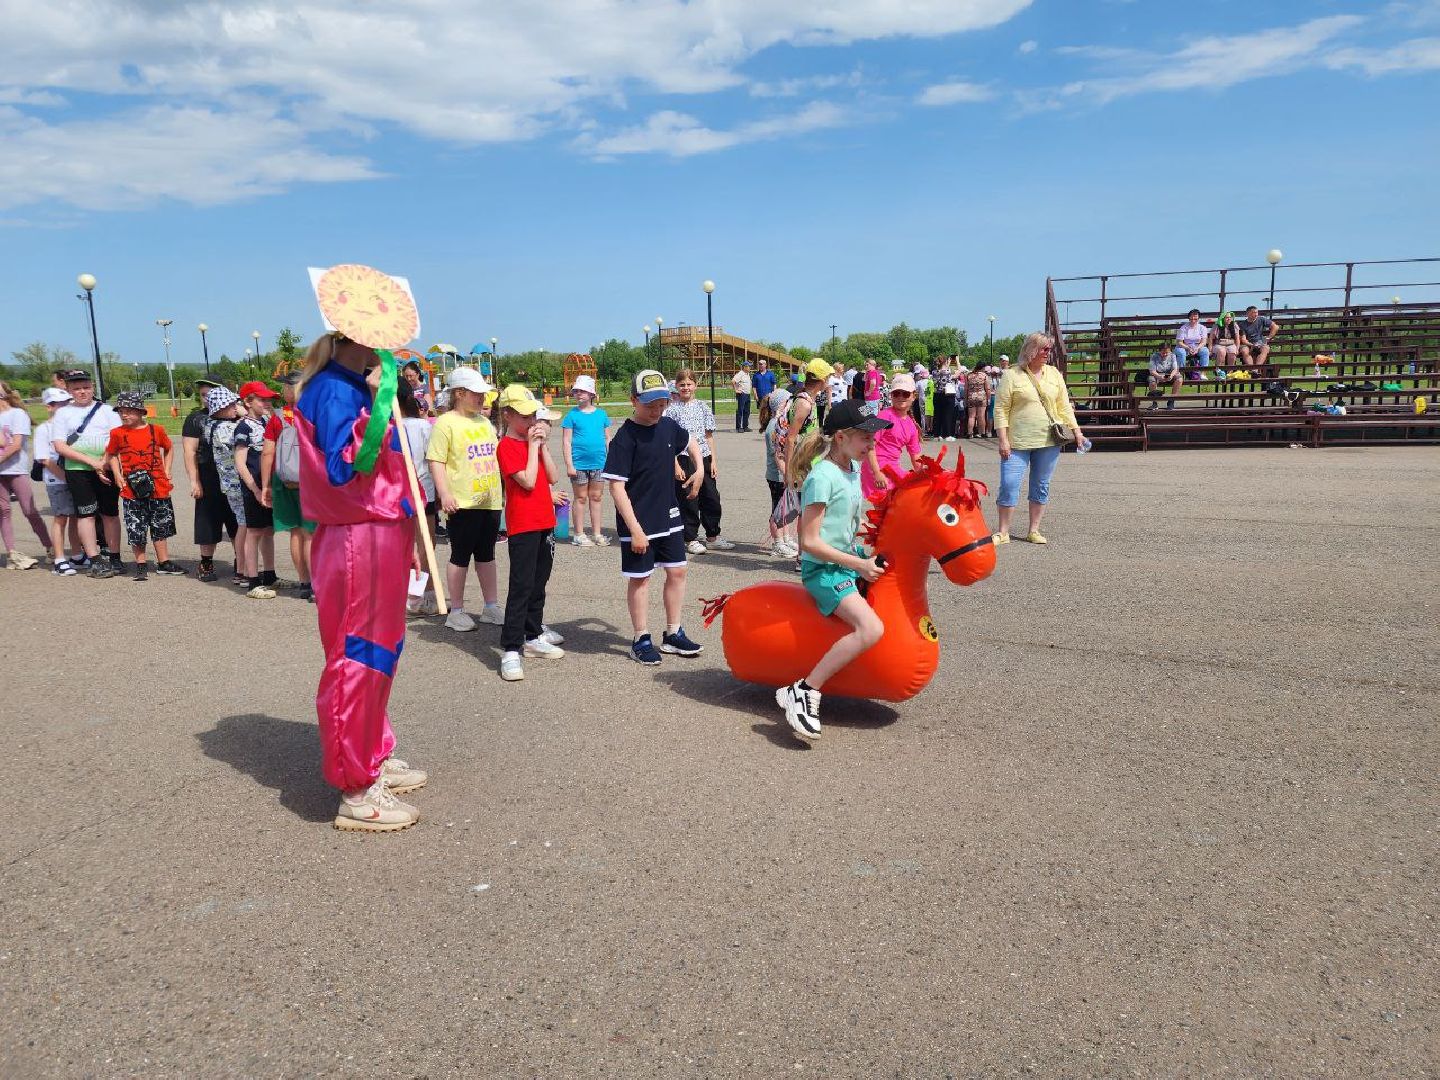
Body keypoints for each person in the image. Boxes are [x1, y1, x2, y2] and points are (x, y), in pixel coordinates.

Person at [295, 331, 427, 833]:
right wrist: (380, 397)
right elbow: (346, 468)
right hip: (355, 536)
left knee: (381, 651)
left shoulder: (355, 383)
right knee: (357, 654)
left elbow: (394, 471)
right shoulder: (333, 389)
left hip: (380, 529)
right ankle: (355, 786)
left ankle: (371, 751)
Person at [776, 399, 890, 744]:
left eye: (872, 437)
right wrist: (858, 565)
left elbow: (844, 528)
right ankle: (804, 690)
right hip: (823, 571)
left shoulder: (851, 470)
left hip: (844, 559)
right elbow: (809, 541)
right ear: (841, 437)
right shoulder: (822, 477)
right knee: (871, 628)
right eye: (865, 438)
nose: (872, 445)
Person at [602, 369, 704, 665]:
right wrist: (634, 529)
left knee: (677, 571)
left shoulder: (669, 426)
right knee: (641, 579)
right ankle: (640, 638)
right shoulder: (625, 438)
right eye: (650, 405)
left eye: (662, 403)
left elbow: (692, 442)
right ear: (633, 400)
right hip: (638, 522)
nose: (657, 410)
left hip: (669, 516)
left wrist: (698, 468)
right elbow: (617, 488)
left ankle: (673, 633)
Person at [494, 384, 569, 682]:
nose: (531, 422)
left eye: (533, 417)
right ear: (508, 415)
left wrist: (542, 446)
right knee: (521, 584)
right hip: (523, 523)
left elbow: (552, 476)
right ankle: (511, 648)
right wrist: (533, 447)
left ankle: (533, 632)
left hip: (544, 521)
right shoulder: (507, 446)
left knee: (540, 581)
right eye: (524, 417)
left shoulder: (532, 444)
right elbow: (526, 480)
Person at [426, 366, 503, 632]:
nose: (483, 398)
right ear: (459, 393)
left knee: (487, 554)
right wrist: (444, 493)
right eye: (477, 393)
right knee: (460, 555)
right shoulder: (446, 423)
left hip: (490, 499)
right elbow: (436, 460)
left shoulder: (484, 422)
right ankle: (456, 610)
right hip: (462, 502)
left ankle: (490, 606)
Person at [992, 334, 1084, 546]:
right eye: (1043, 349)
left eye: (1049, 349)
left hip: (1048, 441)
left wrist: (1077, 431)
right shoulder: (1012, 374)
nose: (1047, 353)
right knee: (1009, 484)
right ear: (1030, 350)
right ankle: (1003, 531)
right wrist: (1003, 439)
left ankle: (1034, 530)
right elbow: (1001, 409)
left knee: (1041, 485)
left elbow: (1064, 406)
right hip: (1017, 442)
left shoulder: (1053, 374)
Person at [103, 390, 185, 580]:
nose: (124, 415)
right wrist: (117, 474)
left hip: (158, 486)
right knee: (136, 527)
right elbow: (112, 454)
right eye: (121, 411)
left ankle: (163, 561)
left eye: (129, 411)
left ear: (141, 412)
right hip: (131, 489)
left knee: (160, 525)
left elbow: (169, 447)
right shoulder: (117, 433)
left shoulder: (157, 430)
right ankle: (141, 563)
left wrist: (167, 468)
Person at [50, 369, 123, 578]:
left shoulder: (107, 411)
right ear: (69, 390)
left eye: (86, 387)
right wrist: (92, 462)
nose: (82, 392)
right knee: (86, 514)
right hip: (78, 470)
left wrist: (103, 463)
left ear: (92, 387)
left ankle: (114, 556)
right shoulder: (63, 413)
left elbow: (116, 440)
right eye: (77, 388)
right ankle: (94, 559)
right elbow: (60, 446)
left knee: (110, 513)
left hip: (107, 467)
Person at [260, 373, 315, 602]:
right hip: (310, 481)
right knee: (310, 533)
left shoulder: (279, 418)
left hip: (283, 481)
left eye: (284, 386)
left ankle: (303, 582)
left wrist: (265, 485)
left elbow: (267, 452)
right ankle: (315, 585)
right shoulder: (314, 414)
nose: (282, 390)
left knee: (295, 532)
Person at [664, 369, 731, 555]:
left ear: (695, 385)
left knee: (711, 498)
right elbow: (668, 442)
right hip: (683, 458)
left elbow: (708, 436)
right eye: (682, 384)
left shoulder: (702, 406)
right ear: (676, 387)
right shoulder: (671, 410)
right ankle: (690, 538)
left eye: (689, 384)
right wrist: (675, 464)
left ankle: (712, 536)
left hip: (704, 457)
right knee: (689, 499)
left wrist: (714, 461)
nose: (686, 387)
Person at [182, 377, 237, 583]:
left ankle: (240, 558)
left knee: (236, 520)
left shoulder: (233, 415)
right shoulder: (195, 419)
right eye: (203, 395)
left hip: (233, 477)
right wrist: (194, 481)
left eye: (210, 394)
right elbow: (190, 451)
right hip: (208, 476)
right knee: (207, 520)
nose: (206, 399)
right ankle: (206, 562)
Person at [233, 381, 282, 598]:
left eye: (268, 399)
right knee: (254, 532)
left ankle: (269, 575)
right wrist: (253, 488)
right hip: (253, 486)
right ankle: (252, 580)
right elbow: (240, 462)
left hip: (267, 485)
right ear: (248, 401)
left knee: (268, 530)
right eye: (261, 399)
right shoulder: (243, 427)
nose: (267, 403)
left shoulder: (265, 422)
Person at [0, 380, 52, 569]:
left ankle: (49, 547)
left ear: (4, 393)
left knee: (29, 510)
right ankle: (12, 553)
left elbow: (15, 444)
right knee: (3, 512)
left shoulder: (17, 414)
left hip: (15, 469)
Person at [33, 387, 85, 574]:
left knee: (75, 517)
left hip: (74, 477)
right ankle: (59, 558)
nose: (63, 407)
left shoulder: (70, 427)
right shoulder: (43, 429)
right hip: (57, 480)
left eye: (66, 403)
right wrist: (65, 477)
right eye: (58, 404)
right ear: (49, 406)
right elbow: (44, 459)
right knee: (61, 518)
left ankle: (77, 555)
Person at [561, 374, 611, 547]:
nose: (578, 394)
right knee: (580, 497)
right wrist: (569, 464)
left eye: (582, 391)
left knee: (596, 497)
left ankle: (597, 533)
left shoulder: (602, 415)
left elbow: (607, 439)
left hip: (599, 463)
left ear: (591, 394)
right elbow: (566, 441)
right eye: (576, 391)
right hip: (579, 464)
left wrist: (610, 460)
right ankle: (579, 533)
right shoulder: (571, 415)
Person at [862, 373, 922, 503]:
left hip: (893, 469)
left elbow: (916, 458)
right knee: (885, 513)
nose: (901, 397)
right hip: (876, 469)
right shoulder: (883, 416)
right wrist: (877, 473)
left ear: (913, 396)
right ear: (891, 396)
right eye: (896, 393)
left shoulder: (911, 425)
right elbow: (868, 445)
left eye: (905, 394)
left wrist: (928, 475)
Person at [761, 387, 797, 558]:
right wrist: (786, 475)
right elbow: (778, 455)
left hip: (783, 474)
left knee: (786, 508)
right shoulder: (773, 427)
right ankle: (778, 543)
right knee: (778, 509)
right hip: (777, 476)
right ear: (782, 405)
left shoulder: (781, 423)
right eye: (789, 402)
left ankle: (786, 538)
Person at [1147, 343, 1184, 409]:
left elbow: (1175, 369)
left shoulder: (1173, 356)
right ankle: (1154, 403)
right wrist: (1159, 376)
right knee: (1152, 382)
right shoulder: (1154, 356)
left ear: (1170, 351)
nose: (1165, 354)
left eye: (1167, 352)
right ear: (1159, 351)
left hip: (1169, 373)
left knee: (1179, 379)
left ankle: (1171, 401)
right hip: (1157, 373)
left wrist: (1171, 375)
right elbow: (1152, 371)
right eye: (1163, 353)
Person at [965, 365, 992, 438]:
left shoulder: (969, 375)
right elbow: (988, 389)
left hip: (971, 397)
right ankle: (982, 433)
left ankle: (970, 433)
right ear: (982, 368)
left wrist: (965, 399)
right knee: (981, 416)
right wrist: (989, 398)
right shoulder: (984, 376)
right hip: (981, 397)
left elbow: (966, 388)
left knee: (971, 416)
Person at [752, 359, 777, 430]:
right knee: (762, 412)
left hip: (769, 397)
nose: (760, 365)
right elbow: (754, 386)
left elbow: (774, 384)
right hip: (760, 396)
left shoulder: (770, 374)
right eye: (759, 364)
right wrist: (755, 395)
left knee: (769, 411)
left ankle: (770, 425)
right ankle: (763, 425)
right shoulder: (756, 375)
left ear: (765, 365)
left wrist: (774, 394)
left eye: (762, 364)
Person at [730, 362, 752, 433]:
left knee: (747, 411)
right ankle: (739, 427)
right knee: (740, 411)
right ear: (745, 367)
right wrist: (736, 390)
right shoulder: (740, 374)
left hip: (748, 395)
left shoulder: (747, 374)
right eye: (749, 366)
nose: (750, 368)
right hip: (742, 394)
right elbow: (733, 381)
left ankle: (745, 426)